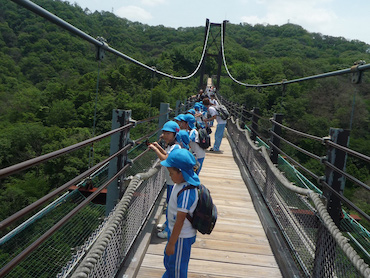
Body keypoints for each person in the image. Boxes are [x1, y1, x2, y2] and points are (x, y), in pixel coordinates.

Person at [160, 148, 199, 278]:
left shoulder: (187, 191)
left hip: (182, 237)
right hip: (175, 233)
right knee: (170, 263)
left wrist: (171, 243)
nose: (170, 176)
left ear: (181, 172)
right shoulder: (181, 183)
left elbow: (180, 220)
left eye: (171, 173)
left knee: (178, 268)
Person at [148, 121, 181, 238]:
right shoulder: (172, 146)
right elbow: (167, 154)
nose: (165, 135)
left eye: (168, 133)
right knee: (170, 204)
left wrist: (154, 149)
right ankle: (167, 224)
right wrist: (158, 147)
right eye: (164, 132)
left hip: (174, 182)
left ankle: (169, 231)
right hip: (171, 181)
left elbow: (165, 159)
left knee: (172, 207)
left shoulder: (176, 146)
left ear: (174, 134)